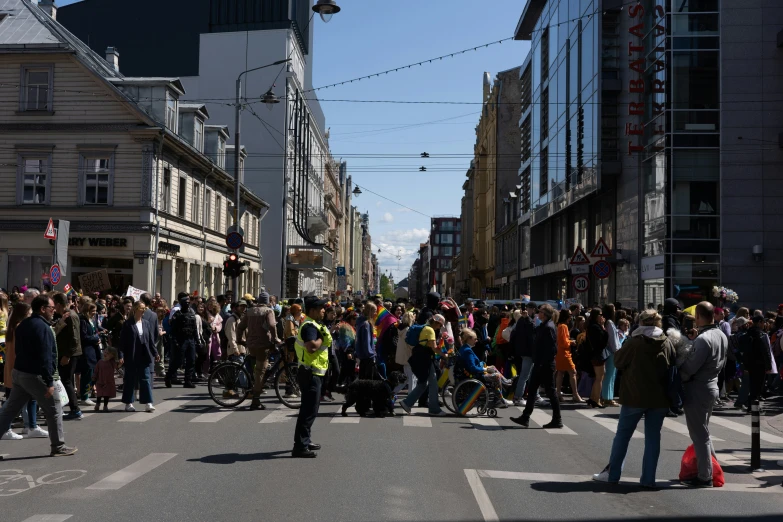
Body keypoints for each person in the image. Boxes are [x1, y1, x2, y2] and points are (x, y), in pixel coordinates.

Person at [592, 310, 676, 487]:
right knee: (653, 439)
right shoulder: (666, 342)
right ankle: (648, 479)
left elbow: (618, 361)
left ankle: (613, 475)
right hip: (659, 398)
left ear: (641, 323)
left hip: (634, 396)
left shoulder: (635, 342)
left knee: (623, 436)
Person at [0, 295, 77, 456]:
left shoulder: (23, 325)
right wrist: (49, 381)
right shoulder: (43, 328)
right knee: (54, 410)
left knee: (9, 410)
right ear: (42, 309)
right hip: (36, 376)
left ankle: (58, 446)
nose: (53, 311)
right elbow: (46, 356)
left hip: (20, 373)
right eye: (51, 308)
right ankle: (58, 446)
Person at [678, 301, 728, 487]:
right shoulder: (721, 334)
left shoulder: (703, 339)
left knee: (699, 435)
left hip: (698, 388)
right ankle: (712, 469)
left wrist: (678, 373)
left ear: (698, 317)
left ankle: (705, 476)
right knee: (703, 433)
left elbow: (691, 367)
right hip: (712, 385)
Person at [511, 303, 563, 429]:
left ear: (544, 314)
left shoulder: (549, 327)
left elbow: (552, 349)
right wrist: (527, 318)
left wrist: (542, 362)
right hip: (540, 363)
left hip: (545, 365)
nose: (538, 313)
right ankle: (525, 417)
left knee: (551, 392)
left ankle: (557, 419)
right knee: (533, 390)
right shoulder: (544, 325)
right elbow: (534, 330)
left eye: (540, 312)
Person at [292, 297, 332, 458]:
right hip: (310, 373)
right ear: (313, 310)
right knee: (308, 411)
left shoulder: (314, 324)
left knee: (310, 410)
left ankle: (305, 441)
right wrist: (323, 337)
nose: (324, 310)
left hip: (313, 373)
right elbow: (311, 348)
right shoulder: (310, 326)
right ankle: (300, 446)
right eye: (321, 308)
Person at [2, 302, 48, 440]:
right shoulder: (19, 328)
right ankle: (10, 428)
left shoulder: (13, 328)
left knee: (24, 400)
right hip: (20, 368)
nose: (30, 315)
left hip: (13, 368)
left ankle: (30, 425)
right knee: (13, 403)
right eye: (28, 313)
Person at [397, 314, 449, 417]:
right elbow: (434, 348)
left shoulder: (425, 327)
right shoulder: (430, 330)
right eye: (439, 325)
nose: (439, 328)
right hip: (425, 359)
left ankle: (407, 403)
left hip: (420, 357)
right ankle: (434, 409)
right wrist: (445, 355)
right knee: (432, 383)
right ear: (436, 322)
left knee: (423, 383)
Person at [237, 292, 280, 410]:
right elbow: (272, 325)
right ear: (267, 301)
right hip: (263, 344)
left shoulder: (250, 311)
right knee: (261, 370)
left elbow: (240, 327)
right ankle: (256, 399)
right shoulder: (268, 311)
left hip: (251, 344)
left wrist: (239, 340)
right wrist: (275, 338)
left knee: (256, 367)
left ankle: (254, 382)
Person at [119, 301, 159, 412]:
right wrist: (121, 355)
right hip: (131, 355)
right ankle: (129, 403)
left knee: (145, 379)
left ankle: (148, 403)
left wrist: (155, 353)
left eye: (144, 308)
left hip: (144, 355)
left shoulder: (146, 323)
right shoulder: (128, 324)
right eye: (142, 308)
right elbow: (122, 342)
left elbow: (150, 340)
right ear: (136, 309)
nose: (144, 310)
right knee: (130, 380)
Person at [458, 328, 513, 407]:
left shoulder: (465, 348)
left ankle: (506, 383)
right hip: (475, 375)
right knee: (496, 376)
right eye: (475, 339)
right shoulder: (467, 351)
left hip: (472, 373)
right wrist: (485, 369)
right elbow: (473, 368)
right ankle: (499, 399)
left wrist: (484, 365)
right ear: (469, 339)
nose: (476, 341)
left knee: (493, 367)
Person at [52, 292, 84, 420]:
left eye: (54, 305)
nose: (53, 308)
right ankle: (73, 408)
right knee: (67, 380)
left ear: (59, 304)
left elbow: (74, 338)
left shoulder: (71, 316)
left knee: (66, 380)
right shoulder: (65, 316)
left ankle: (75, 409)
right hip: (66, 353)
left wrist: (67, 355)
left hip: (69, 354)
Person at [168, 294, 199, 388]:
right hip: (181, 340)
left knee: (191, 360)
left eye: (188, 303)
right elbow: (172, 330)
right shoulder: (177, 315)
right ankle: (168, 377)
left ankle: (188, 381)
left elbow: (194, 329)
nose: (187, 304)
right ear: (181, 304)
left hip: (190, 340)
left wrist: (197, 341)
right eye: (185, 303)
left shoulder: (192, 314)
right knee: (178, 361)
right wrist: (175, 341)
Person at [511, 303, 539, 406]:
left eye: (530, 308)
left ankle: (535, 395)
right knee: (524, 376)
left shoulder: (526, 320)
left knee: (532, 376)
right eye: (528, 308)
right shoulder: (524, 320)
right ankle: (518, 397)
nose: (529, 310)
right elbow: (532, 331)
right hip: (527, 352)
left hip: (527, 352)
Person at [555, 309, 583, 403]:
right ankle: (575, 394)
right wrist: (571, 342)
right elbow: (563, 342)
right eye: (570, 315)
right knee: (573, 372)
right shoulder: (563, 326)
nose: (571, 317)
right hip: (564, 353)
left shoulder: (559, 325)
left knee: (560, 372)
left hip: (560, 353)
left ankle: (558, 393)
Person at [78, 302, 103, 407]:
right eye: (93, 310)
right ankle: (84, 396)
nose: (95, 313)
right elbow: (84, 337)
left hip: (94, 350)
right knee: (87, 375)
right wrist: (95, 338)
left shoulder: (91, 320)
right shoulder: (83, 321)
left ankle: (86, 394)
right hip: (87, 351)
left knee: (93, 374)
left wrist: (98, 336)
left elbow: (94, 332)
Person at [586, 308, 609, 409]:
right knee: (599, 378)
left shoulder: (592, 326)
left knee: (599, 377)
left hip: (595, 354)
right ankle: (597, 400)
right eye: (600, 314)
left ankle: (592, 397)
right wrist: (603, 326)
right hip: (597, 354)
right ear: (596, 315)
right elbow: (603, 341)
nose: (602, 316)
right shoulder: (595, 327)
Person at [601, 304, 621, 407]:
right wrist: (616, 350)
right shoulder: (609, 323)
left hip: (611, 351)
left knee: (610, 375)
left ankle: (608, 397)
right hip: (612, 352)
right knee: (610, 375)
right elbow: (612, 339)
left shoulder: (608, 322)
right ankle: (607, 397)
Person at [394, 311, 416, 393]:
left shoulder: (401, 329)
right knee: (411, 378)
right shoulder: (407, 330)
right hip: (409, 356)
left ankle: (392, 392)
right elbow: (411, 344)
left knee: (406, 378)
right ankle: (411, 398)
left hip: (403, 356)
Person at [354, 303, 378, 379]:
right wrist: (372, 355)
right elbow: (366, 342)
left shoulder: (361, 322)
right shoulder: (366, 324)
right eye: (374, 311)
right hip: (368, 356)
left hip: (363, 356)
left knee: (363, 378)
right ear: (369, 311)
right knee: (368, 380)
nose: (375, 313)